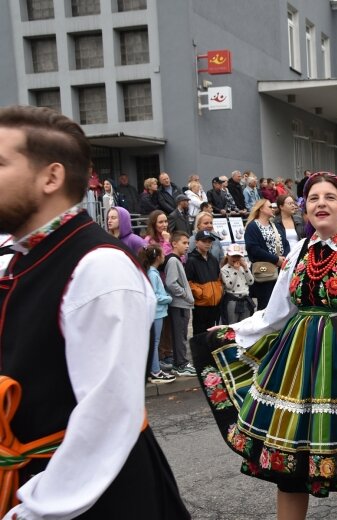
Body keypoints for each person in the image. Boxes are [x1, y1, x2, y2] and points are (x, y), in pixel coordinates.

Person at [0, 105, 188, 518]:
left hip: (91, 499)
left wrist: (33, 511)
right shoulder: (20, 257)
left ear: (51, 177)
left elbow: (108, 416)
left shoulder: (99, 267)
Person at [192, 172, 337, 520]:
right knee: (291, 462)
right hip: (300, 362)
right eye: (313, 198)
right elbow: (277, 313)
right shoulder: (299, 251)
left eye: (330, 197)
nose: (321, 204)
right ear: (304, 208)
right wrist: (235, 330)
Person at [139, 244, 176, 384]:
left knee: (154, 342)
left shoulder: (151, 272)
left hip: (157, 312)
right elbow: (155, 296)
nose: (165, 256)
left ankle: (154, 368)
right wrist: (168, 298)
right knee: (155, 342)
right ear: (158, 257)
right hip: (157, 313)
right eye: (163, 254)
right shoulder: (153, 274)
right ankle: (155, 371)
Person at [244, 198, 290, 310]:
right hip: (264, 272)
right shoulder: (252, 227)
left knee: (281, 304)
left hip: (280, 269)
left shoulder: (276, 226)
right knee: (266, 305)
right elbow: (253, 249)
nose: (273, 209)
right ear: (261, 209)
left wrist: (285, 258)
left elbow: (285, 243)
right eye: (270, 206)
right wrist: (275, 259)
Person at [165, 231, 197, 377]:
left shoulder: (177, 260)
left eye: (188, 243)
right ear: (174, 243)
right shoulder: (173, 261)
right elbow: (171, 283)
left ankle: (181, 362)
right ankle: (181, 364)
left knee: (182, 334)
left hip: (182, 304)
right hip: (179, 305)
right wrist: (185, 295)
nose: (187, 246)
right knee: (180, 335)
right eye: (184, 243)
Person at [186, 229, 223, 334]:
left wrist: (218, 291)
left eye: (209, 242)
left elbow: (218, 278)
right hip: (201, 305)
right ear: (196, 242)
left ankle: (209, 351)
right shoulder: (191, 260)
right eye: (204, 241)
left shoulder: (213, 259)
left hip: (214, 303)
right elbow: (188, 281)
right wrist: (199, 293)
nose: (207, 244)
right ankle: (199, 351)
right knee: (200, 332)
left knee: (211, 333)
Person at [220, 243, 255, 324]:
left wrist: (246, 268)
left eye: (238, 256)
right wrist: (235, 270)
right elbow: (229, 285)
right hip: (232, 300)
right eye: (233, 256)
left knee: (245, 325)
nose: (236, 258)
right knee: (232, 325)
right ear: (228, 255)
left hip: (245, 299)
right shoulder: (224, 269)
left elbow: (251, 281)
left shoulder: (243, 267)